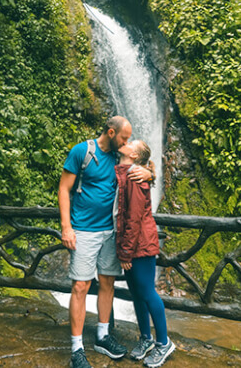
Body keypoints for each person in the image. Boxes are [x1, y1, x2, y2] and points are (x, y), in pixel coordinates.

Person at [58, 116, 153, 368]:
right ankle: (77, 348)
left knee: (107, 283)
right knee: (80, 286)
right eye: (124, 137)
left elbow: (142, 164)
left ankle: (102, 336)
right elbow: (63, 188)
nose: (127, 142)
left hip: (111, 231)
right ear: (111, 132)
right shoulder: (82, 151)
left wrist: (150, 172)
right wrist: (66, 227)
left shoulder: (120, 155)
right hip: (84, 230)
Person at [115, 140, 175, 368]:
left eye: (132, 143)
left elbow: (134, 219)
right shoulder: (130, 172)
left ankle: (163, 343)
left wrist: (126, 253)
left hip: (140, 244)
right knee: (136, 293)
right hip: (132, 244)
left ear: (135, 155)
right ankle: (146, 338)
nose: (126, 143)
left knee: (148, 292)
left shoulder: (136, 177)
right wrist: (152, 173)